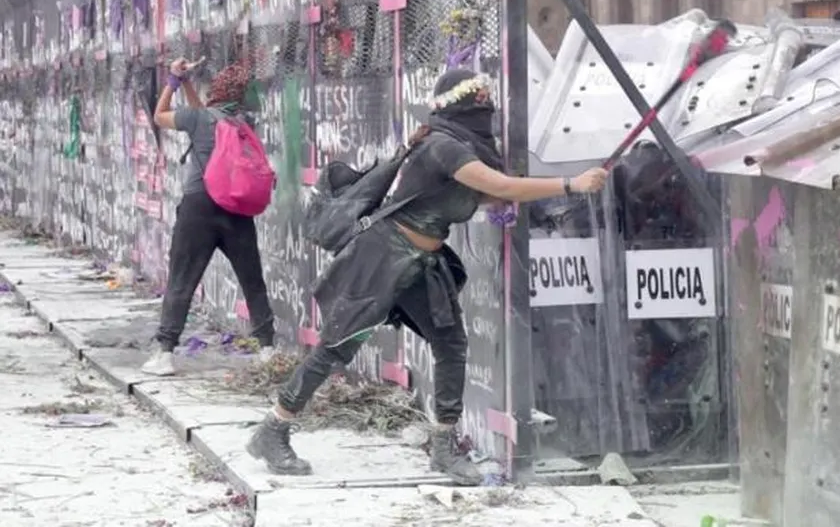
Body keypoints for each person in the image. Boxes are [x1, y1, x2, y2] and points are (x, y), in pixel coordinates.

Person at [245, 68, 609, 485]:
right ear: (460, 102)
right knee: (336, 346)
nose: (487, 105)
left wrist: (547, 193)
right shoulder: (444, 146)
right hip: (381, 258)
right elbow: (502, 186)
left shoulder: (460, 147)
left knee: (450, 344)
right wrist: (570, 184)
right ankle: (273, 429)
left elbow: (486, 193)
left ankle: (443, 446)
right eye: (479, 97)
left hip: (420, 262)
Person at [142, 59, 276, 376]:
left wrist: (174, 80)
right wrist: (188, 83)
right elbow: (203, 112)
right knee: (252, 279)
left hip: (199, 207)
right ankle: (268, 349)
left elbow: (160, 116)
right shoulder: (243, 123)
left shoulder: (198, 119)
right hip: (236, 208)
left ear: (215, 90)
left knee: (182, 279)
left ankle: (165, 353)